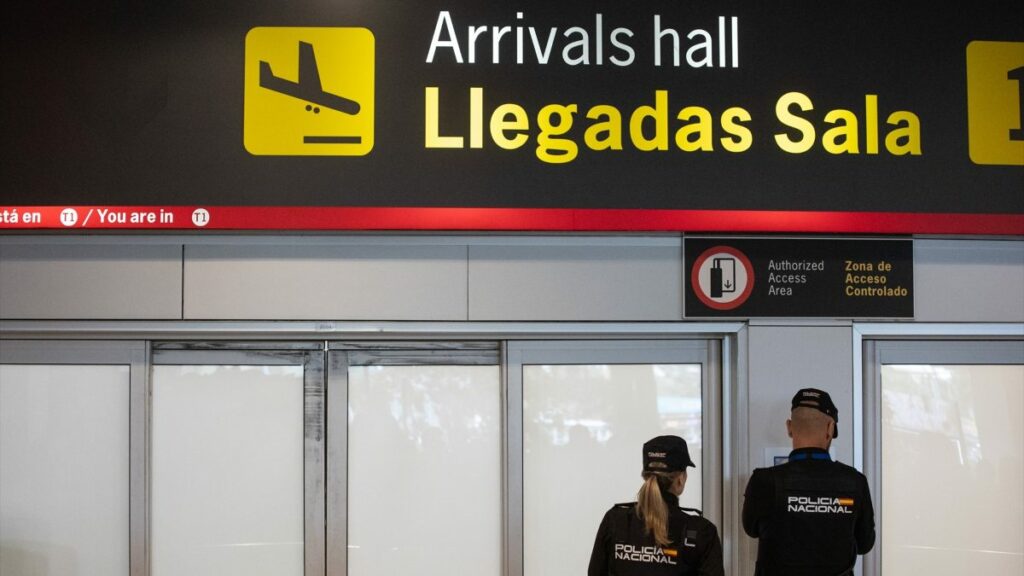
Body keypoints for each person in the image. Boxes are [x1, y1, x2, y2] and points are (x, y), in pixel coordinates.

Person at [742, 388, 876, 576]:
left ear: (789, 427)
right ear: (830, 428)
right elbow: (865, 544)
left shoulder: (763, 481)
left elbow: (751, 530)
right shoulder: (855, 482)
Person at [589, 435, 724, 576]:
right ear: (681, 479)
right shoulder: (702, 531)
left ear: (645, 476)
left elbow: (595, 572)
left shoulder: (615, 520)